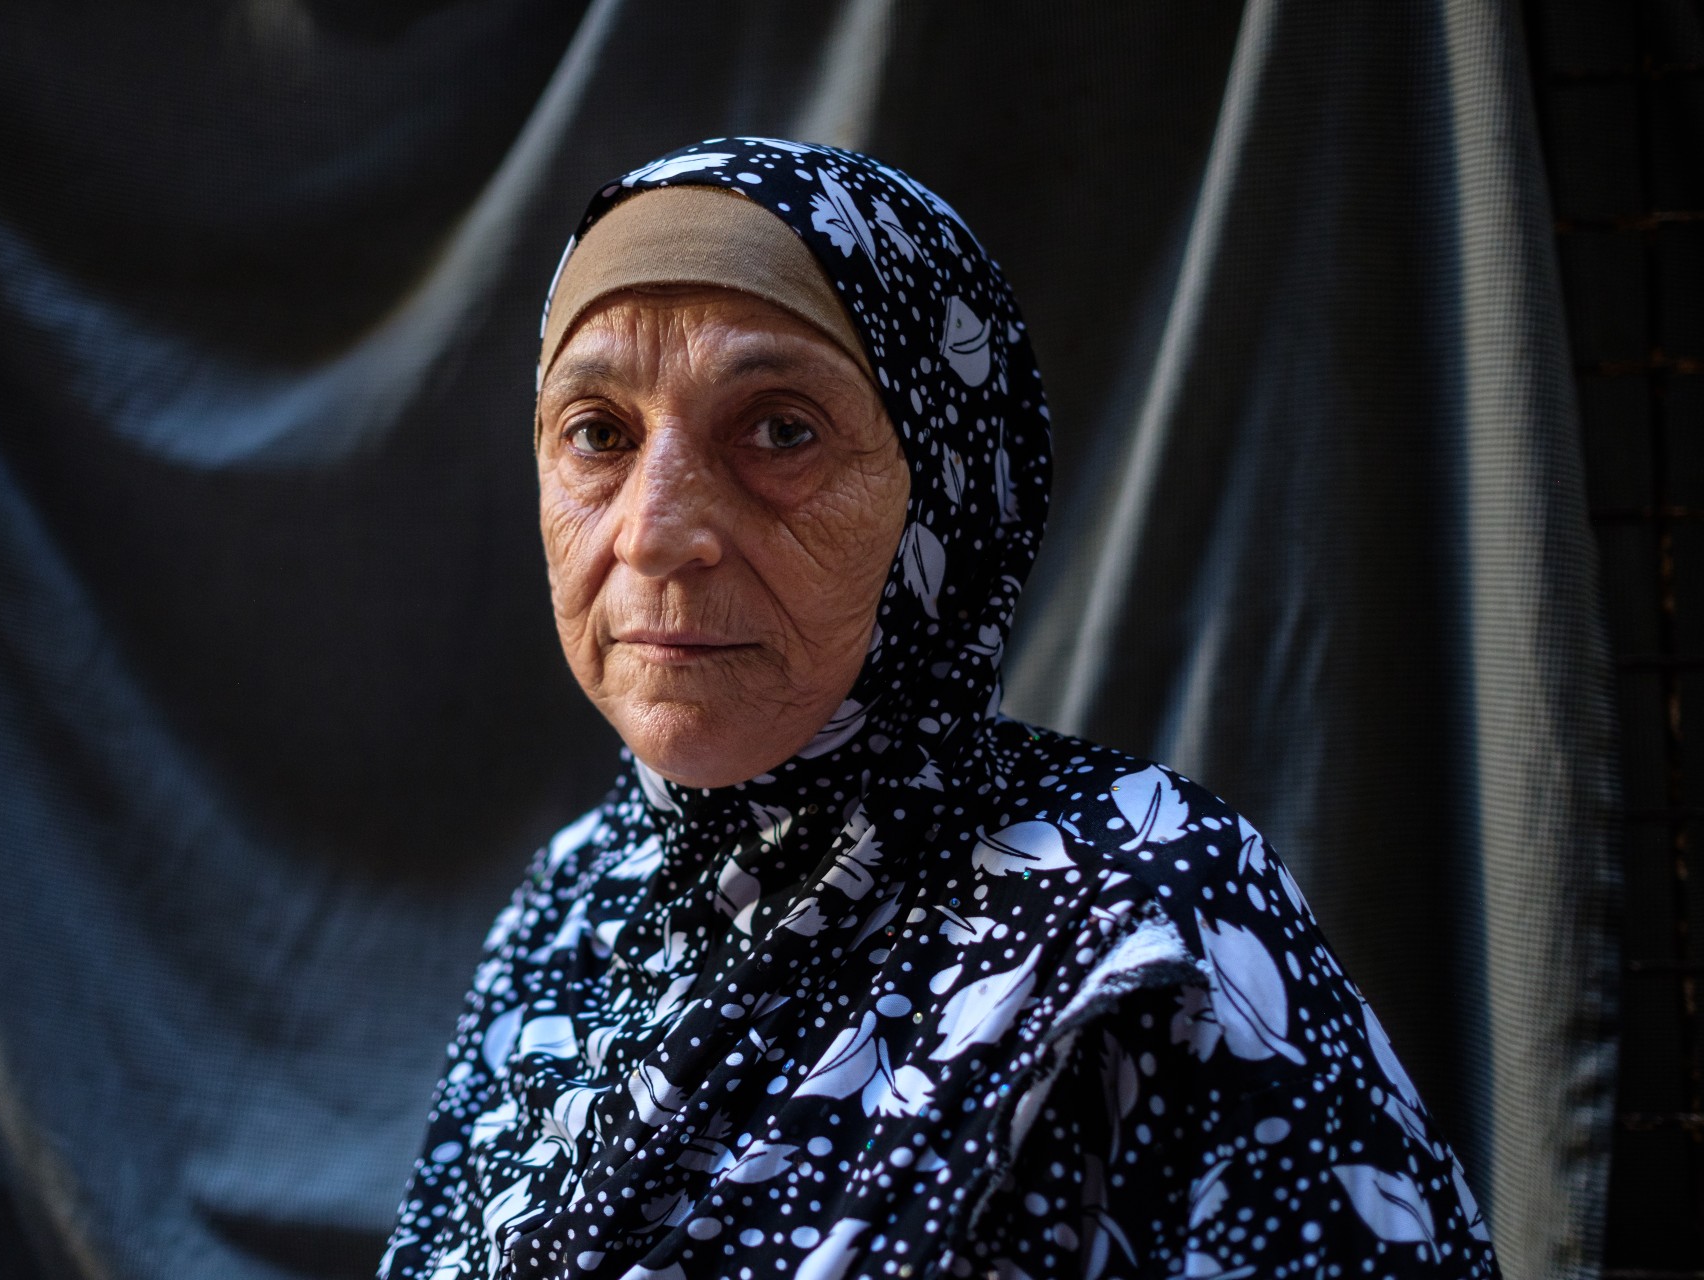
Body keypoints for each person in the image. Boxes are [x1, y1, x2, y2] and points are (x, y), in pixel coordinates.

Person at [380, 139, 1500, 1280]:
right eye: (600, 434)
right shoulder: (574, 900)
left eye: (779, 429)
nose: (655, 530)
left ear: (952, 490)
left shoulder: (1149, 925)